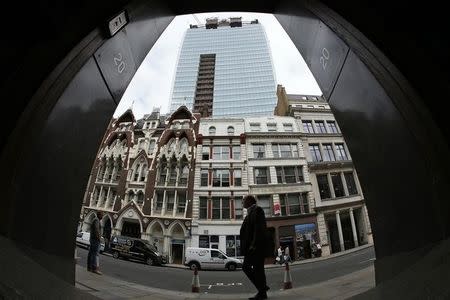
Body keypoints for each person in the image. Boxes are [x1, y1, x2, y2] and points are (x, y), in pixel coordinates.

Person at [240, 195, 270, 300]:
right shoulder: (249, 213)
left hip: (256, 247)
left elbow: (259, 229)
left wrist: (254, 244)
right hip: (252, 247)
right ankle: (262, 292)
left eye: (243, 200)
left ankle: (262, 289)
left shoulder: (258, 210)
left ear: (249, 201)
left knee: (247, 267)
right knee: (258, 270)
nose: (242, 202)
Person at [87, 211, 103, 275]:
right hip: (95, 240)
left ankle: (89, 267)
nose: (102, 216)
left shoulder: (96, 220)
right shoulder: (96, 220)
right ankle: (94, 268)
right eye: (102, 214)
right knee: (95, 254)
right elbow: (96, 230)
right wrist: (99, 238)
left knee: (91, 253)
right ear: (99, 215)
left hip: (93, 239)